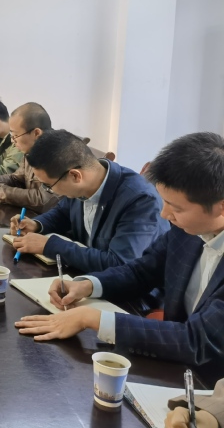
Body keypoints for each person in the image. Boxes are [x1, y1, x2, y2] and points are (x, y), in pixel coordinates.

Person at [15, 132, 224, 374]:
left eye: (176, 208)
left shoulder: (153, 206)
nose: (164, 214)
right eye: (165, 202)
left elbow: (196, 340)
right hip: (174, 362)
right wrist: (87, 284)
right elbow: (141, 271)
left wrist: (92, 319)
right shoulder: (186, 230)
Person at [10, 129, 167, 272]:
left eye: (49, 186)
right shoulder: (86, 183)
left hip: (129, 291)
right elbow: (63, 213)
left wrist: (50, 246)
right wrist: (37, 224)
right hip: (87, 277)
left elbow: (119, 263)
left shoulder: (140, 200)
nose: (49, 190)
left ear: (75, 176)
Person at [0, 102, 60, 214]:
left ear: (36, 133)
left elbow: (43, 201)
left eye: (15, 136)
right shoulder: (32, 150)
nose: (13, 141)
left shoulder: (58, 154)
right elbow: (17, 179)